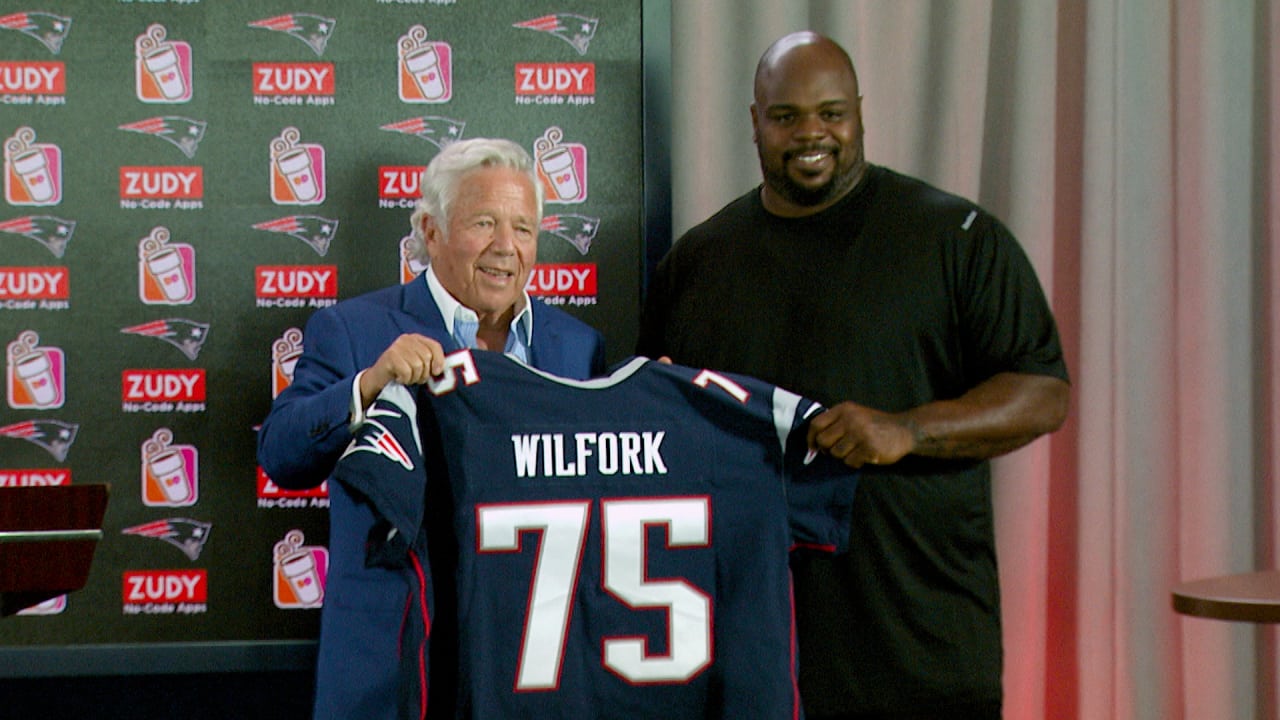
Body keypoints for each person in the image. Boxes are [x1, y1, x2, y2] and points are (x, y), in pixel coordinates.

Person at [636, 31, 1070, 720]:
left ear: (861, 113)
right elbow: (653, 434)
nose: (812, 133)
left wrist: (909, 429)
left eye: (831, 113)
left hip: (921, 652)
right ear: (755, 121)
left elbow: (1043, 393)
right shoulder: (697, 264)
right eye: (786, 117)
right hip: (752, 660)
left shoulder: (955, 238)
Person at [257, 137, 606, 720]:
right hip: (390, 671)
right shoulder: (353, 330)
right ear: (430, 230)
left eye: (523, 229)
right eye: (484, 223)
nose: (506, 247)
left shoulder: (577, 346)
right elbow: (281, 454)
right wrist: (368, 384)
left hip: (535, 669)